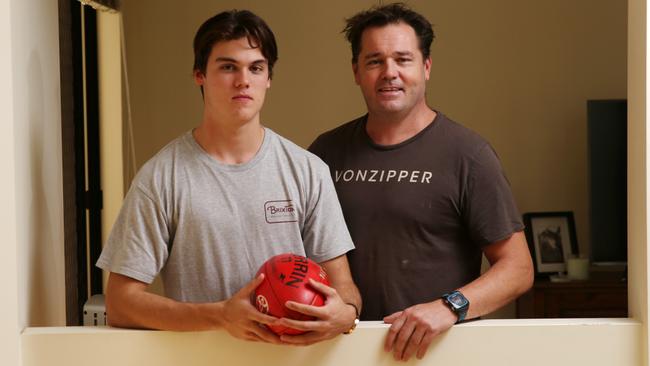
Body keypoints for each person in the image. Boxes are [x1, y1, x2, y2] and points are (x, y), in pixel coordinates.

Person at [97, 9, 361, 346]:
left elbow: (344, 288)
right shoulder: (161, 177)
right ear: (199, 75)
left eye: (256, 68)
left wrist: (346, 313)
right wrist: (221, 314)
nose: (243, 80)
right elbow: (121, 304)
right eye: (227, 67)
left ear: (268, 77)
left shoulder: (308, 171)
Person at [309, 3, 533, 361]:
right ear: (356, 71)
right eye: (374, 61)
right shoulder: (324, 153)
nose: (389, 73)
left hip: (436, 353)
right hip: (342, 352)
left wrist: (448, 307)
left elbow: (518, 268)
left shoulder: (467, 155)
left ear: (426, 67)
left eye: (403, 59)